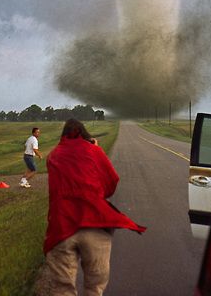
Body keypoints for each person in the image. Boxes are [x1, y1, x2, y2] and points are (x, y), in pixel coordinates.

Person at [44, 118, 146, 295]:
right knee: (94, 287)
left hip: (62, 227)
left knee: (62, 289)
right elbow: (111, 180)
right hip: (94, 224)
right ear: (85, 134)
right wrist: (98, 193)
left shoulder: (53, 156)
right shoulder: (93, 151)